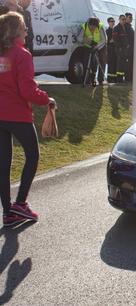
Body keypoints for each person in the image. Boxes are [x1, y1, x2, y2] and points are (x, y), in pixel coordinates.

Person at [0, 12, 56, 227]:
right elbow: (27, 90)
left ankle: (8, 212)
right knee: (32, 155)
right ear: (16, 31)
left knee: (3, 165)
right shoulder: (22, 55)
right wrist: (46, 99)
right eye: (24, 28)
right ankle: (20, 203)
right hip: (17, 114)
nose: (27, 31)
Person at [78, 17, 106, 86]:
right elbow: (79, 38)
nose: (92, 29)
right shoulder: (84, 26)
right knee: (86, 62)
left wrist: (96, 47)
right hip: (88, 46)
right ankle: (86, 79)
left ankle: (98, 79)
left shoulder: (100, 27)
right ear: (89, 24)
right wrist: (86, 41)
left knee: (97, 62)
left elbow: (104, 40)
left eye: (94, 27)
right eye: (91, 27)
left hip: (99, 46)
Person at [112, 14, 130, 83]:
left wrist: (127, 45)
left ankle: (122, 78)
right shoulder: (116, 28)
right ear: (119, 20)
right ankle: (119, 79)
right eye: (122, 19)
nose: (124, 21)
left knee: (124, 64)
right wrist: (119, 47)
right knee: (120, 64)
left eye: (125, 19)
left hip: (125, 49)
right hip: (120, 49)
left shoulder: (125, 27)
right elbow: (115, 39)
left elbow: (126, 38)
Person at [106, 17, 117, 83]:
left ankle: (114, 78)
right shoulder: (108, 31)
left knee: (115, 63)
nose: (113, 22)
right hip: (110, 49)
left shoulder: (115, 30)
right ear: (108, 22)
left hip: (115, 49)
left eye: (113, 21)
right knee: (110, 64)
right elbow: (108, 41)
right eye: (111, 21)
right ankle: (109, 78)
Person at [125, 12, 134, 82]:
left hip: (132, 48)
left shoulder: (130, 27)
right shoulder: (125, 27)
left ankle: (130, 78)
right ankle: (127, 78)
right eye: (130, 17)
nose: (131, 19)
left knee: (131, 64)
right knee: (128, 64)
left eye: (131, 17)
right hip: (128, 49)